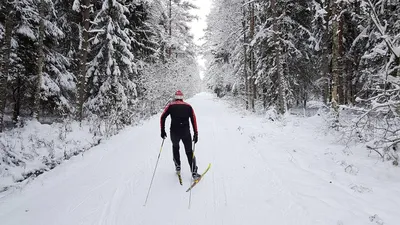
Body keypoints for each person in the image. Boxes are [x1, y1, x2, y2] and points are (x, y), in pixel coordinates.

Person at [160, 90, 201, 180]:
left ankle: (178, 167)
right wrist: (196, 133)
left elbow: (162, 117)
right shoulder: (188, 106)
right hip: (185, 132)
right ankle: (194, 172)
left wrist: (162, 130)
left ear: (175, 97)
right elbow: (193, 119)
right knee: (189, 152)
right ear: (182, 97)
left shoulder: (170, 106)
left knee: (175, 147)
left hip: (174, 132)